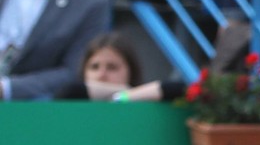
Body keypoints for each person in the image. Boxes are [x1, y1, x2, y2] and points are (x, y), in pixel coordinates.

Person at [54, 32, 188, 102]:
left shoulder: (141, 100)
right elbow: (68, 92)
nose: (101, 75)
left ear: (131, 70)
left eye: (112, 67)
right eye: (94, 67)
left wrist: (123, 96)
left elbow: (181, 90)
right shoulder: (72, 101)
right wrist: (120, 93)